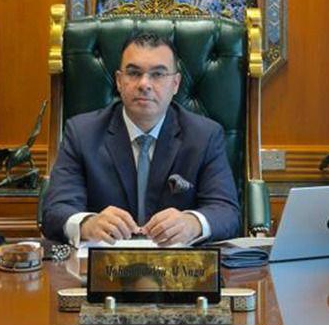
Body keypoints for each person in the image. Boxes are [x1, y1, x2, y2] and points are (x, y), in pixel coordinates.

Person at [41, 32, 241, 246]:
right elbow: (55, 211)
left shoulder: (204, 136)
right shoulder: (82, 133)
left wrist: (193, 223)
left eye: (158, 74)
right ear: (119, 81)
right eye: (134, 73)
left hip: (178, 264)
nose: (144, 84)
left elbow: (227, 212)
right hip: (105, 261)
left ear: (175, 83)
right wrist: (87, 224)